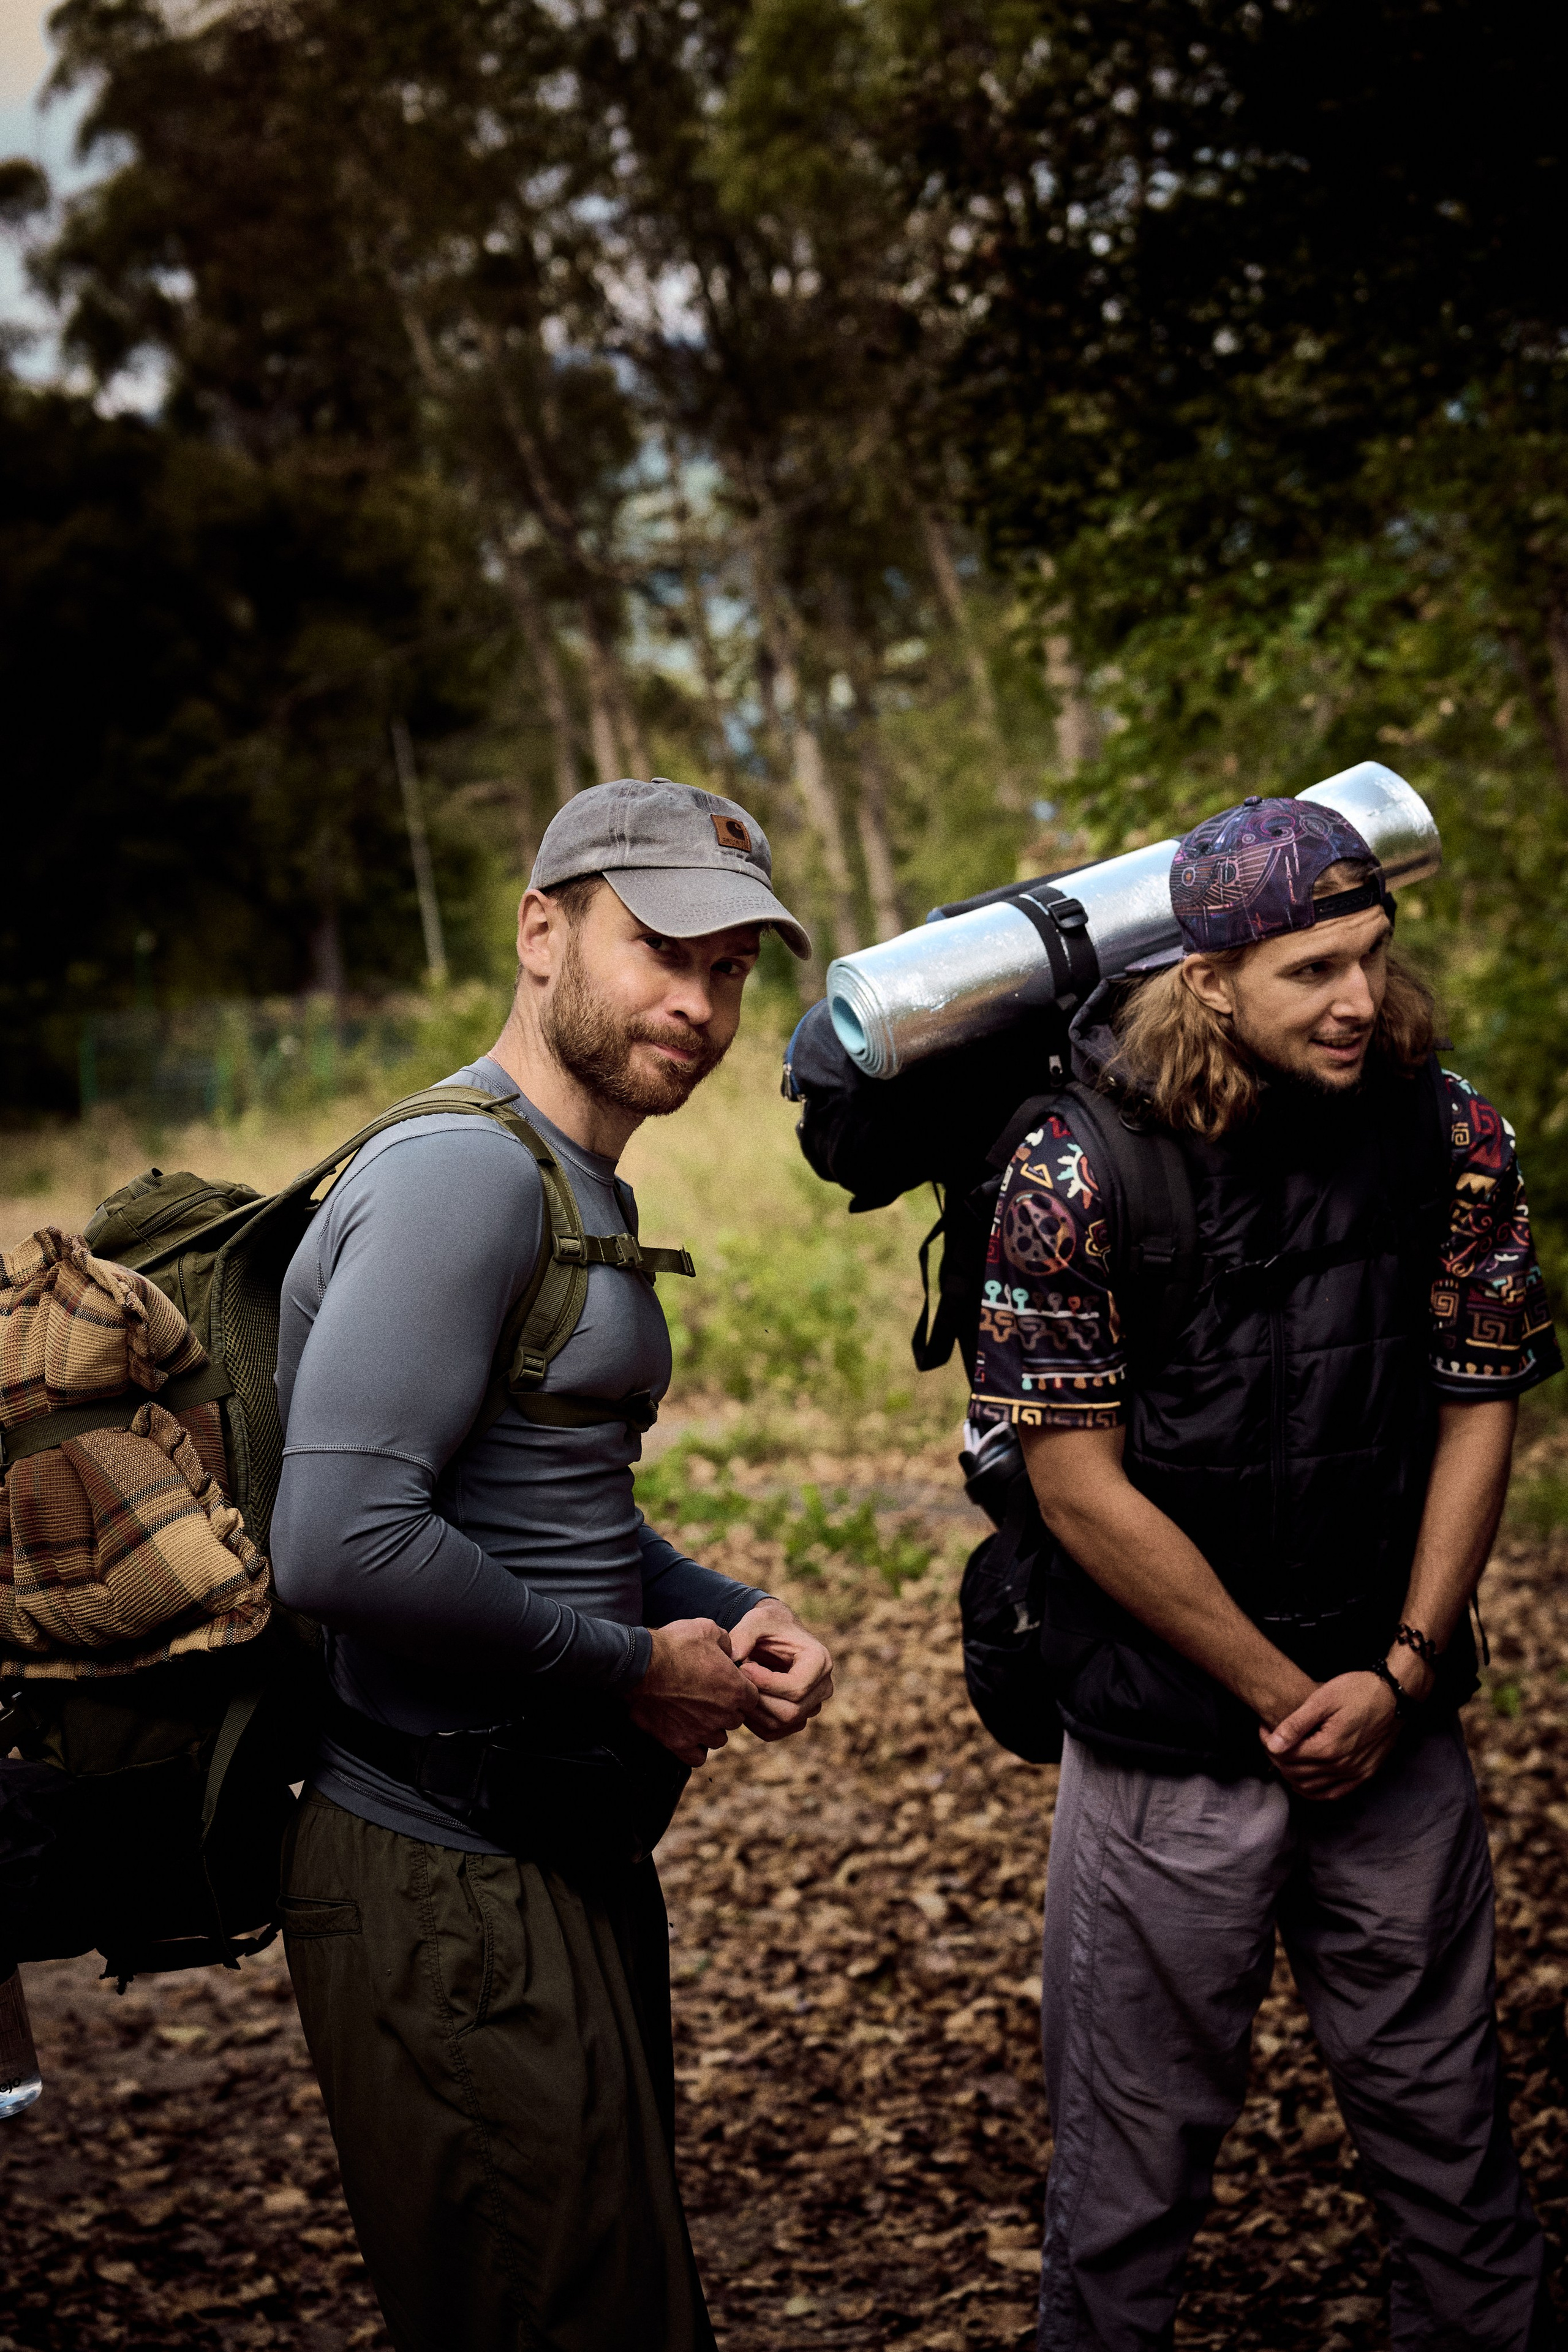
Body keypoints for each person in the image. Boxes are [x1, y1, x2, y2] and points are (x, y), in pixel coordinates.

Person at [965, 795, 1562, 2352]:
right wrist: (1294, 1698)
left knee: (1456, 2154)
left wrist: (1405, 1674)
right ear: (1207, 979)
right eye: (1309, 970)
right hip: (1170, 1752)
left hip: (1396, 1729)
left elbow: (1475, 1400)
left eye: (1369, 957)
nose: (1356, 997)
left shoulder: (1452, 1133)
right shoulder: (1068, 1165)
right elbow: (1071, 1483)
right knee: (1125, 2181)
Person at [270, 777, 835, 2352]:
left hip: (537, 1851)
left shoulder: (577, 1175)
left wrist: (716, 1611)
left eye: (731, 969)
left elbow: (534, 1505)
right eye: (661, 946)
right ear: (540, 930)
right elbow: (344, 1541)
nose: (698, 1000)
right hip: (440, 1870)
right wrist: (637, 1666)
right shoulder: (461, 1174)